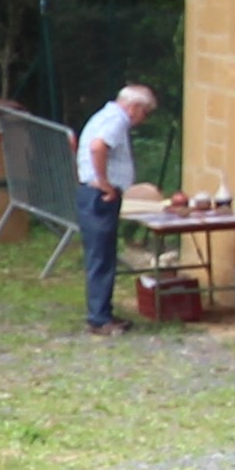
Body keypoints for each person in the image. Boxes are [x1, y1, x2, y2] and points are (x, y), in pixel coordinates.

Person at [75, 84, 156, 335]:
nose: (144, 119)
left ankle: (102, 313)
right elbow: (98, 146)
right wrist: (104, 183)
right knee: (101, 256)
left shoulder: (105, 115)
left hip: (91, 193)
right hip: (99, 196)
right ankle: (99, 318)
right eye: (145, 112)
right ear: (134, 107)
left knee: (102, 255)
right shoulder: (117, 121)